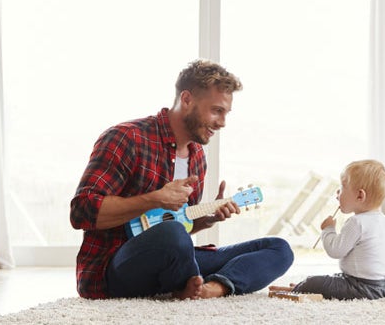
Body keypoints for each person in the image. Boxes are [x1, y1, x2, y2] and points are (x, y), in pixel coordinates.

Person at [70, 59, 294, 300]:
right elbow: (81, 212)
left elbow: (180, 225)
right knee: (173, 234)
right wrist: (154, 199)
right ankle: (188, 281)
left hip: (170, 262)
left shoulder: (197, 157)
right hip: (115, 267)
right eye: (216, 110)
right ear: (187, 100)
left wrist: (206, 219)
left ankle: (212, 288)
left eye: (226, 113)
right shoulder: (127, 138)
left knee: (279, 249)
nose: (222, 123)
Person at [271, 159, 385, 300]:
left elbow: (335, 251)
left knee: (314, 281)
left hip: (361, 288)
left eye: (343, 187)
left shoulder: (356, 222)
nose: (338, 191)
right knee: (333, 279)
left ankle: (301, 288)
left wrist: (328, 229)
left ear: (360, 196)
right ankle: (306, 287)